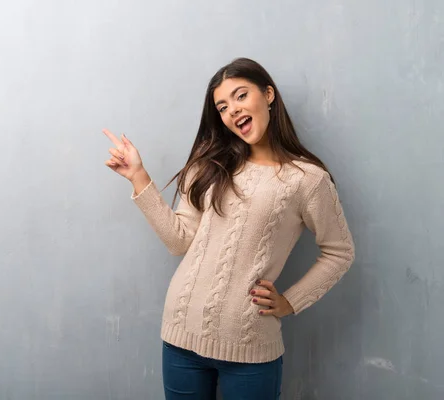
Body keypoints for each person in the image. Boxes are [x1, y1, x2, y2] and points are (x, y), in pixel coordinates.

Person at [102, 58, 355, 400]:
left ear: (268, 95)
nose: (232, 110)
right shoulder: (209, 166)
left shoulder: (307, 179)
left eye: (240, 96)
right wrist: (138, 177)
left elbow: (340, 252)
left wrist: (290, 302)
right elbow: (179, 241)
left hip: (250, 348)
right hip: (181, 336)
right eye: (222, 106)